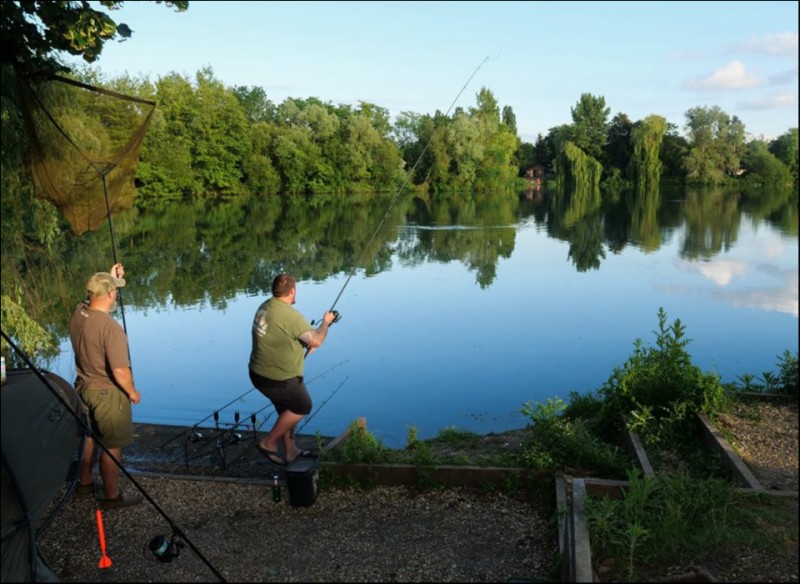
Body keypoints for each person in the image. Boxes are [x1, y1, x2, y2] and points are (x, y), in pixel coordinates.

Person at [69, 263, 142, 509]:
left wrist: (109, 279)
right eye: (114, 291)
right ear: (110, 295)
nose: (116, 295)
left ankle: (85, 483)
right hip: (107, 394)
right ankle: (112, 497)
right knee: (112, 446)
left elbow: (89, 298)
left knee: (90, 436)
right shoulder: (111, 329)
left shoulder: (79, 313)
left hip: (83, 389)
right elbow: (120, 371)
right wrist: (132, 392)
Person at [249, 273, 336, 465]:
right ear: (293, 291)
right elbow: (317, 340)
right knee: (302, 406)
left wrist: (304, 345)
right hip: (278, 379)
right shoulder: (290, 316)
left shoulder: (265, 306)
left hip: (258, 373)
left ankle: (291, 451)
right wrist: (326, 323)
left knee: (286, 411)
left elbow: (279, 333)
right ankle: (268, 442)